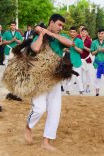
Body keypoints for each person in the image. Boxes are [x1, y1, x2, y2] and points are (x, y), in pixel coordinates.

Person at [24, 14, 73, 151]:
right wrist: (42, 34)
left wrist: (51, 33)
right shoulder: (40, 35)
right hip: (39, 78)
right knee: (39, 108)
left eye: (62, 26)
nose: (61, 27)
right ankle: (28, 127)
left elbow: (70, 43)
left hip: (55, 78)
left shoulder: (59, 38)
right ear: (51, 22)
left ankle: (46, 141)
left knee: (54, 110)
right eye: (59, 24)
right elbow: (35, 48)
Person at [91, 28, 104, 96]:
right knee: (97, 79)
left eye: (102, 33)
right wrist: (97, 50)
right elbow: (92, 53)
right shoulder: (94, 42)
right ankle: (97, 93)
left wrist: (103, 50)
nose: (100, 35)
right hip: (97, 63)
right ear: (97, 34)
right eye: (99, 33)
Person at [64, 26, 84, 95]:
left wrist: (74, 46)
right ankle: (67, 91)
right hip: (68, 62)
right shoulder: (66, 39)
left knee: (78, 77)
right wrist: (66, 48)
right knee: (68, 77)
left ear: (76, 33)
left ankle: (81, 91)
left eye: (74, 32)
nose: (72, 33)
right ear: (69, 32)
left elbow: (81, 51)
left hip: (77, 62)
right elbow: (63, 49)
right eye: (71, 32)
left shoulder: (79, 41)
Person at [77, 27, 92, 93]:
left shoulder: (89, 40)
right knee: (80, 75)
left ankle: (88, 87)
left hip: (87, 59)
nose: (84, 33)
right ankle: (81, 88)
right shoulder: (77, 39)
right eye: (83, 32)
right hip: (79, 59)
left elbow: (91, 50)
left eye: (85, 32)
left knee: (88, 74)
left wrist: (84, 47)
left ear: (87, 33)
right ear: (81, 32)